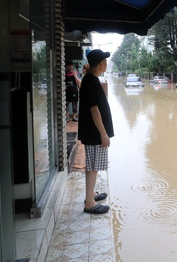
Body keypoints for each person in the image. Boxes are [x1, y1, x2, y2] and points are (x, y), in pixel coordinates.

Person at [78, 50, 113, 214]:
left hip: (92, 132)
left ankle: (90, 194)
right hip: (94, 133)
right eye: (105, 61)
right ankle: (90, 203)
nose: (106, 64)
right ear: (101, 64)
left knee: (93, 165)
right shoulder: (91, 81)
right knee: (92, 166)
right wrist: (103, 133)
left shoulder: (91, 79)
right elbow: (94, 110)